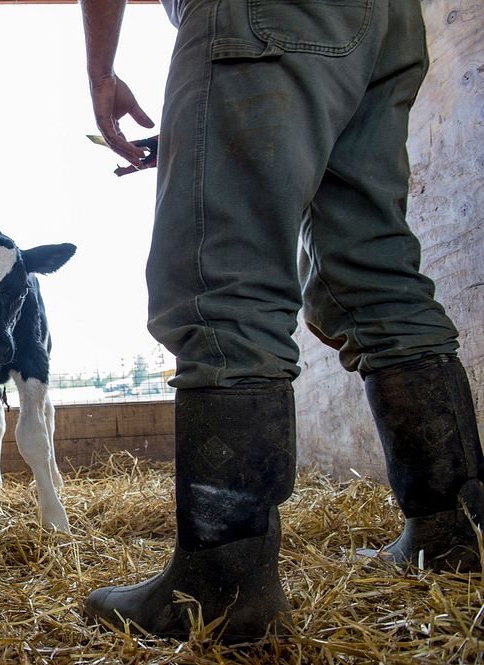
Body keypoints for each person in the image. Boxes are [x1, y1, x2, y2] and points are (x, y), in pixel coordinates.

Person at [79, 0, 484, 641]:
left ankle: (221, 587)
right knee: (369, 272)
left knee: (220, 278)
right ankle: (454, 533)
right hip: (385, 23)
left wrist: (101, 70)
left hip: (259, 17)